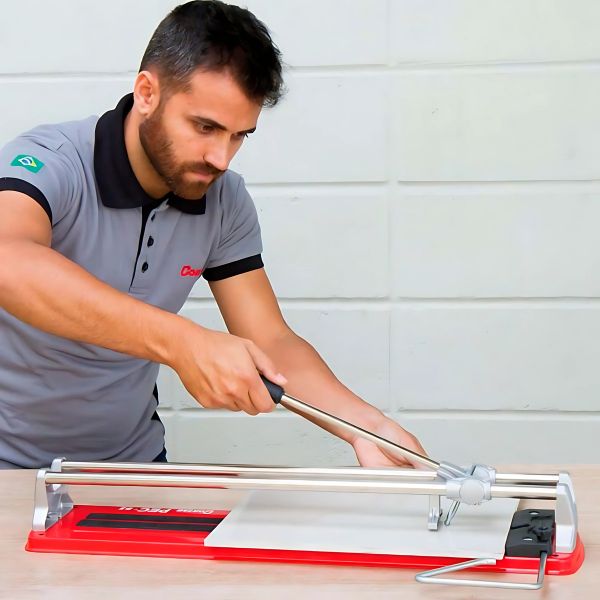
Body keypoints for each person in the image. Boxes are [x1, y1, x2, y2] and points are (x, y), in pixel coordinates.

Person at [0, 0, 425, 469]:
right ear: (147, 93)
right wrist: (182, 342)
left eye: (240, 135)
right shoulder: (51, 161)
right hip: (9, 465)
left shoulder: (224, 199)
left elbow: (271, 340)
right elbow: (9, 260)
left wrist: (366, 427)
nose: (221, 158)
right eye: (205, 127)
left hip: (132, 466)